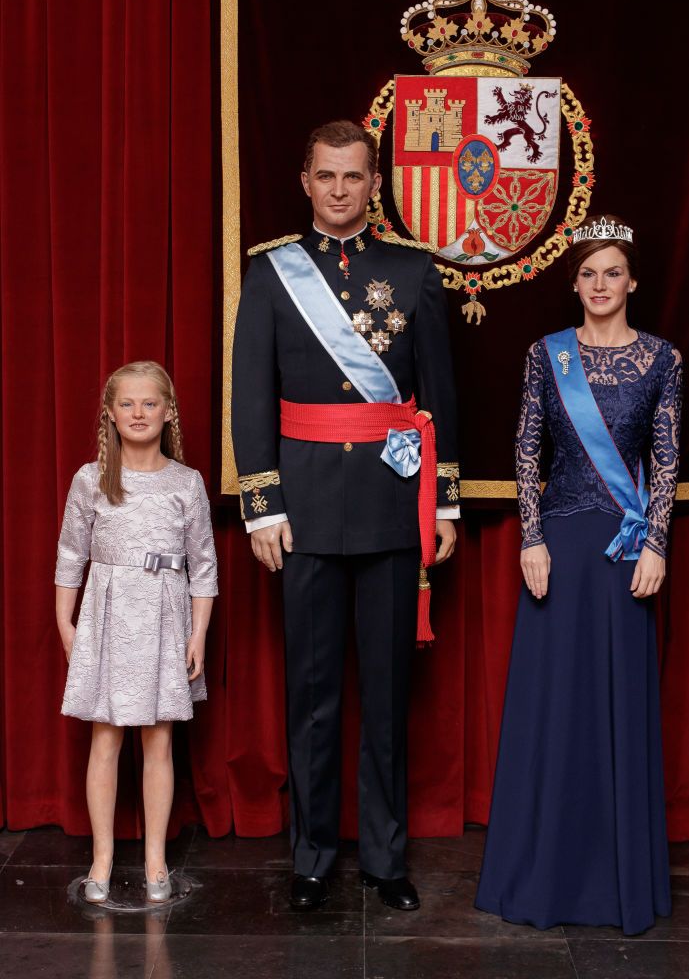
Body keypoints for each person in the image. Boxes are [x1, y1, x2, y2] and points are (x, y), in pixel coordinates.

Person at [231, 120, 459, 912]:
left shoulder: (416, 271)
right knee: (315, 692)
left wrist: (446, 502)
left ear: (374, 183)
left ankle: (387, 860)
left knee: (390, 695)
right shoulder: (269, 275)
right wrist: (262, 505)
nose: (338, 191)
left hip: (395, 508)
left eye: (353, 178)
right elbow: (251, 394)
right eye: (325, 176)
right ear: (305, 179)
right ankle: (314, 856)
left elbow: (440, 397)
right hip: (306, 512)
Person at [475, 214, 682, 934]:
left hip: (625, 552)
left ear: (633, 280)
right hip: (559, 546)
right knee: (556, 704)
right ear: (575, 282)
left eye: (612, 272)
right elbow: (526, 449)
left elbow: (666, 459)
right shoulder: (547, 355)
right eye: (588, 273)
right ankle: (544, 873)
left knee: (615, 707)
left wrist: (656, 543)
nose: (601, 285)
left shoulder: (663, 360)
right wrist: (531, 540)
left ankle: (615, 877)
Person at [55, 360, 218, 904]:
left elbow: (204, 565)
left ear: (168, 412)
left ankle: (155, 861)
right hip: (107, 616)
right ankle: (101, 860)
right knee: (105, 737)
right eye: (127, 403)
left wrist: (198, 635)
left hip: (165, 615)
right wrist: (64, 621)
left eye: (150, 403)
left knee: (159, 739)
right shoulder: (90, 479)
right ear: (110, 415)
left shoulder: (186, 483)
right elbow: (70, 555)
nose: (139, 412)